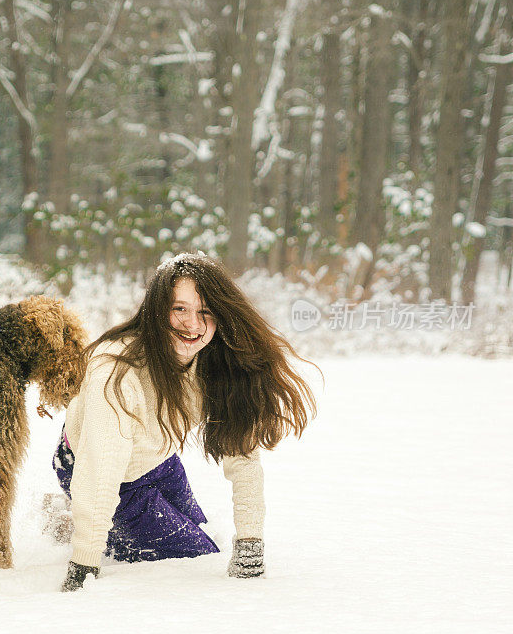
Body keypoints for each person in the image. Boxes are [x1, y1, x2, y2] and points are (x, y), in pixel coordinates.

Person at [53, 251, 318, 591]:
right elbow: (101, 469)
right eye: (179, 308)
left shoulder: (214, 363)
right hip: (93, 466)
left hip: (159, 460)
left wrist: (250, 542)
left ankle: (73, 516)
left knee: (201, 533)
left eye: (205, 312)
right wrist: (84, 562)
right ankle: (75, 519)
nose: (192, 324)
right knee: (195, 556)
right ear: (156, 310)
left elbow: (243, 455)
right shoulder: (117, 373)